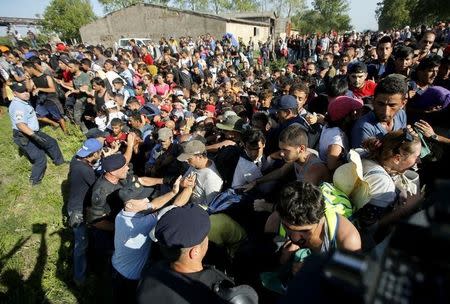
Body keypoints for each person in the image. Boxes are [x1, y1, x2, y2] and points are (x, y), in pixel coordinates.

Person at [136, 204, 258, 304]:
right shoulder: (218, 291)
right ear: (194, 252)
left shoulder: (150, 273)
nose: (208, 240)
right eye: (205, 237)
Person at [111, 174, 182, 303]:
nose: (146, 200)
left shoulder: (122, 215)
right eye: (141, 198)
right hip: (128, 278)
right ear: (130, 205)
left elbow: (153, 205)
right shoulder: (141, 224)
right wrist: (181, 191)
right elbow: (172, 208)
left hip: (118, 266)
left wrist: (172, 192)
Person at [8, 82, 65, 185]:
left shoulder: (23, 100)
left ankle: (59, 162)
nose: (26, 93)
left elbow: (30, 88)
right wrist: (34, 136)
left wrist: (28, 80)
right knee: (40, 158)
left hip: (33, 131)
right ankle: (35, 180)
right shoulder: (18, 106)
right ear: (15, 93)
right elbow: (21, 125)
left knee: (51, 142)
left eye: (26, 90)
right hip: (24, 135)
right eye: (22, 92)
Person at [67, 138, 103, 286]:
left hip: (74, 205)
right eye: (99, 152)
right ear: (94, 154)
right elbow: (98, 186)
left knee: (83, 242)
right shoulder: (85, 170)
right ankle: (79, 278)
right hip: (79, 211)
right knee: (80, 245)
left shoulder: (76, 160)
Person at [351, 74, 408, 148]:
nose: (385, 112)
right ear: (373, 101)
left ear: (403, 104)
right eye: (380, 104)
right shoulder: (364, 128)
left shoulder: (401, 115)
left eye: (392, 105)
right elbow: (361, 159)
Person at [176, 140, 223, 206]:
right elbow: (182, 181)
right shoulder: (194, 165)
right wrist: (182, 184)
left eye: (189, 159)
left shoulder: (211, 178)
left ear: (200, 157)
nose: (186, 161)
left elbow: (211, 206)